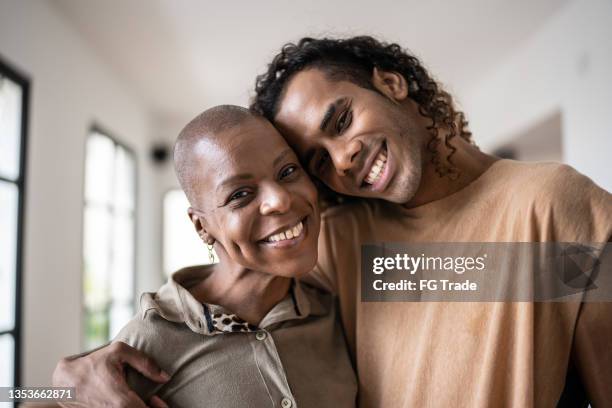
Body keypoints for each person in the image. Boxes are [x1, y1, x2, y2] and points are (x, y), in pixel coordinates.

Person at [54, 36, 612, 407]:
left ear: (392, 83)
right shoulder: (343, 244)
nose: (342, 158)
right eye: (318, 159)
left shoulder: (555, 208)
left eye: (341, 120)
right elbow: (229, 302)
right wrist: (60, 380)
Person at [54, 105, 357, 407]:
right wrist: (61, 386)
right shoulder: (152, 338)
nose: (279, 200)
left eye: (288, 172)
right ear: (202, 226)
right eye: (240, 194)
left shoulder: (329, 306)